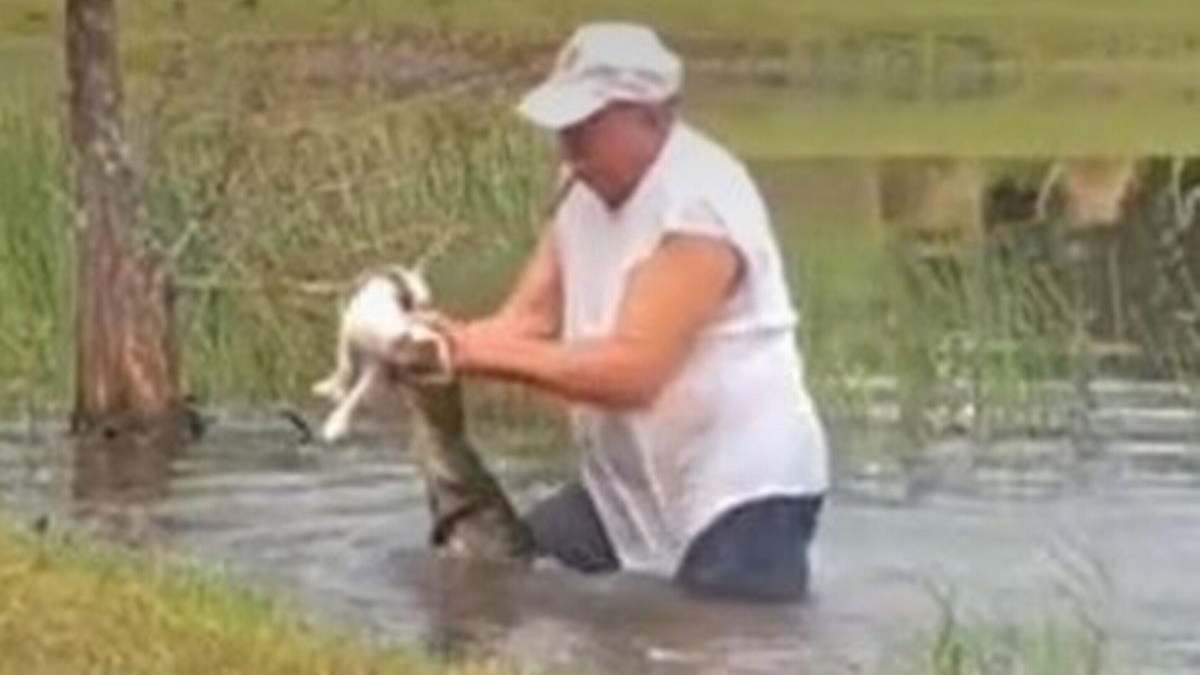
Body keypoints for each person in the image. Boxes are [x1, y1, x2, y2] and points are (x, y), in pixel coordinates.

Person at [435, 23, 829, 601]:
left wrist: (469, 351)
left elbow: (632, 373)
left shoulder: (698, 202)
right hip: (630, 486)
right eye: (563, 125)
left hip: (743, 490)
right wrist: (430, 342)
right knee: (500, 581)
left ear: (652, 116)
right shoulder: (579, 184)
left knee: (728, 644)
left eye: (586, 124)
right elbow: (526, 323)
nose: (568, 142)